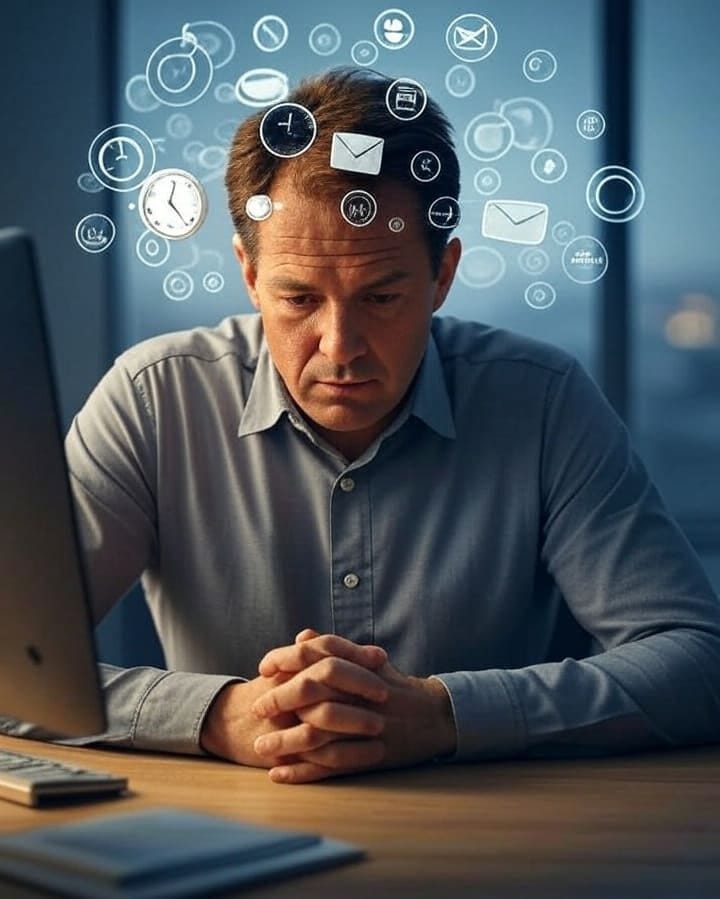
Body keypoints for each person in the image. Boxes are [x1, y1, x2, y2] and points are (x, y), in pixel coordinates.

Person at [4, 68, 719, 784]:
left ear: (443, 274)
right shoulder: (155, 398)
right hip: (229, 845)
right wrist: (218, 715)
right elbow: (11, 665)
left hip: (500, 850)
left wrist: (445, 714)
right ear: (249, 276)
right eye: (298, 297)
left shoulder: (543, 402)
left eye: (381, 295)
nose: (339, 344)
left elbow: (698, 660)